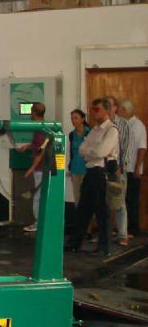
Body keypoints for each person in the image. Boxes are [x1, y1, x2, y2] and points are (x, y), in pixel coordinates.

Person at [68, 97, 119, 255]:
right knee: (83, 209)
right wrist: (93, 151)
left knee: (102, 212)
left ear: (107, 110)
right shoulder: (95, 130)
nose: (94, 112)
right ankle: (74, 244)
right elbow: (81, 149)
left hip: (101, 173)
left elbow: (101, 151)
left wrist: (91, 151)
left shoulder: (111, 130)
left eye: (97, 109)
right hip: (90, 171)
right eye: (92, 109)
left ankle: (104, 248)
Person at [119, 99, 146, 244]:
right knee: (122, 199)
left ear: (125, 110)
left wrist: (137, 167)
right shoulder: (122, 124)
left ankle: (133, 229)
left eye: (120, 109)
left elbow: (142, 147)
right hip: (123, 168)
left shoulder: (138, 125)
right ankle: (123, 228)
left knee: (132, 199)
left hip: (133, 168)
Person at [105, 96, 131, 245]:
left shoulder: (123, 124)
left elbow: (126, 147)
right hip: (104, 169)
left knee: (120, 203)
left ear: (116, 107)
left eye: (110, 105)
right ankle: (106, 234)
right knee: (105, 203)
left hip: (118, 169)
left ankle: (123, 234)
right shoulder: (103, 124)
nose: (108, 107)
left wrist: (121, 168)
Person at [18, 103, 47, 233]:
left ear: (33, 112)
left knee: (37, 197)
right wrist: (28, 146)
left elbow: (41, 151)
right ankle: (40, 221)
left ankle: (38, 222)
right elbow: (39, 145)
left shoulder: (40, 129)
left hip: (40, 169)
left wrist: (31, 168)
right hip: (42, 167)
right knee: (39, 195)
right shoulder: (43, 127)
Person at [67, 109, 91, 207]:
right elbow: (71, 152)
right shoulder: (71, 135)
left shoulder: (90, 132)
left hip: (87, 169)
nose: (73, 121)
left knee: (88, 196)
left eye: (76, 118)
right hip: (75, 168)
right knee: (77, 196)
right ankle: (78, 215)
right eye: (72, 118)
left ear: (82, 119)